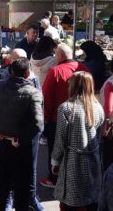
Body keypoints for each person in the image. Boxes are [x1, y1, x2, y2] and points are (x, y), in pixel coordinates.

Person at [0, 58, 44, 211]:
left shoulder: (0, 86)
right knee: (21, 190)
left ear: (11, 72)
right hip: (22, 149)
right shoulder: (33, 93)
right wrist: (21, 139)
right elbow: (38, 124)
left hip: (3, 143)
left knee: (2, 186)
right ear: (28, 73)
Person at [51, 71, 104, 211]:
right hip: (93, 159)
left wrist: (55, 161)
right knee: (90, 200)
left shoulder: (66, 108)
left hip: (72, 162)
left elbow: (60, 139)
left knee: (71, 202)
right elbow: (98, 138)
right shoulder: (98, 107)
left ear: (74, 86)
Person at [40, 44, 89, 188]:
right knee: (76, 149)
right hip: (82, 117)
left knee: (56, 151)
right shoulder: (84, 69)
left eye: (55, 55)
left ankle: (54, 179)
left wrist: (46, 118)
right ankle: (74, 177)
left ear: (60, 56)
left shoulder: (55, 71)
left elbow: (46, 98)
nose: (55, 57)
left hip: (57, 119)